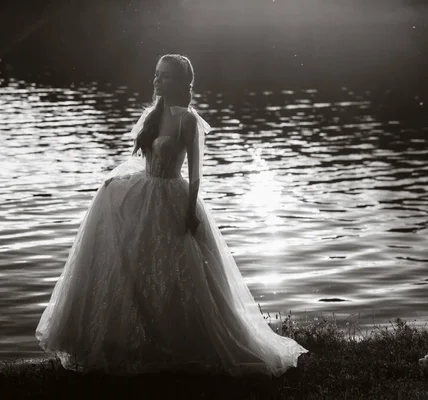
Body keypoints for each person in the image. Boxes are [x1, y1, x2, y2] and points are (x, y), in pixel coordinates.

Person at [35, 54, 308, 377]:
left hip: (173, 198)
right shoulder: (152, 115)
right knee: (137, 270)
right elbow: (143, 162)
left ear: (180, 82)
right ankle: (135, 343)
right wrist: (119, 182)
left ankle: (186, 344)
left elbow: (195, 176)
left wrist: (190, 211)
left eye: (165, 76)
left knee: (180, 276)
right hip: (145, 196)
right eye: (156, 75)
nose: (157, 80)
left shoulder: (187, 120)